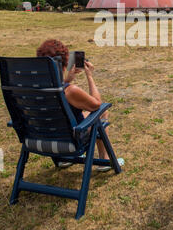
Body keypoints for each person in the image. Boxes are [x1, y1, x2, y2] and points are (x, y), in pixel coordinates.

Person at [36, 39, 124, 171]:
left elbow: (57, 92)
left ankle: (63, 159)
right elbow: (96, 105)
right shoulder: (70, 91)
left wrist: (66, 80)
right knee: (102, 112)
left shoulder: (30, 88)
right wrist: (90, 76)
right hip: (70, 141)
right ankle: (103, 160)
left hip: (39, 139)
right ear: (65, 63)